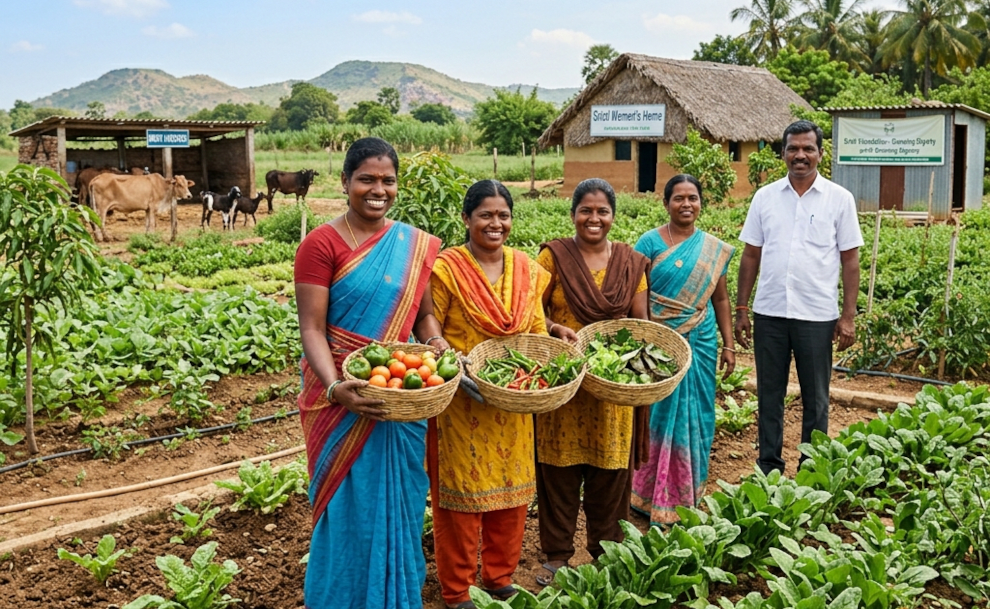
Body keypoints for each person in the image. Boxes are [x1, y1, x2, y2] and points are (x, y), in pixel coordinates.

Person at [294, 137, 446, 609]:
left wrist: (436, 342)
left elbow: (423, 318)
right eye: (366, 179)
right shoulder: (320, 244)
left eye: (387, 181)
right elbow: (312, 329)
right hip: (341, 395)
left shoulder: (412, 244)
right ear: (345, 182)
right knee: (346, 507)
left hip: (400, 394)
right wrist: (337, 386)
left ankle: (395, 597)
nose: (377, 189)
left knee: (399, 504)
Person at [427, 179, 551, 609]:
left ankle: (500, 576)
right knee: (459, 498)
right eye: (486, 215)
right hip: (462, 401)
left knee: (512, 493)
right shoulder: (447, 268)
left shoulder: (526, 269)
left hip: (514, 396)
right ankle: (457, 589)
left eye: (503, 215)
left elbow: (536, 329)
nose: (495, 223)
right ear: (467, 219)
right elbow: (430, 325)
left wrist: (547, 362)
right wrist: (446, 354)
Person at [534, 178, 651, 585]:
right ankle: (557, 554)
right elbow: (537, 312)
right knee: (558, 472)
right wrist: (553, 329)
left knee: (610, 474)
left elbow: (641, 324)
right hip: (564, 385)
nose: (594, 218)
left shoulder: (631, 262)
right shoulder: (553, 257)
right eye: (586, 210)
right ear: (573, 215)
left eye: (602, 211)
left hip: (611, 387)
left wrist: (624, 339)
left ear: (613, 217)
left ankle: (606, 552)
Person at [734, 120, 862, 476]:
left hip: (817, 315)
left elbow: (850, 260)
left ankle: (811, 468)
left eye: (808, 149)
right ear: (783, 153)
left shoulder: (839, 199)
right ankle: (769, 467)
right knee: (768, 395)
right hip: (770, 313)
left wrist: (848, 316)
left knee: (816, 398)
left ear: (821, 153)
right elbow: (751, 254)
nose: (800, 155)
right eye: (793, 148)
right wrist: (742, 308)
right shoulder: (765, 197)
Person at [630, 174, 736, 525]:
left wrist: (729, 344)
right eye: (679, 198)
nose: (686, 204)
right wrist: (647, 336)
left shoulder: (712, 248)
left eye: (693, 197)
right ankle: (647, 494)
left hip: (701, 339)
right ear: (666, 203)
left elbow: (720, 298)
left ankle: (685, 492)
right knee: (655, 415)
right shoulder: (648, 243)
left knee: (698, 411)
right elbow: (636, 294)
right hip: (659, 343)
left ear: (701, 202)